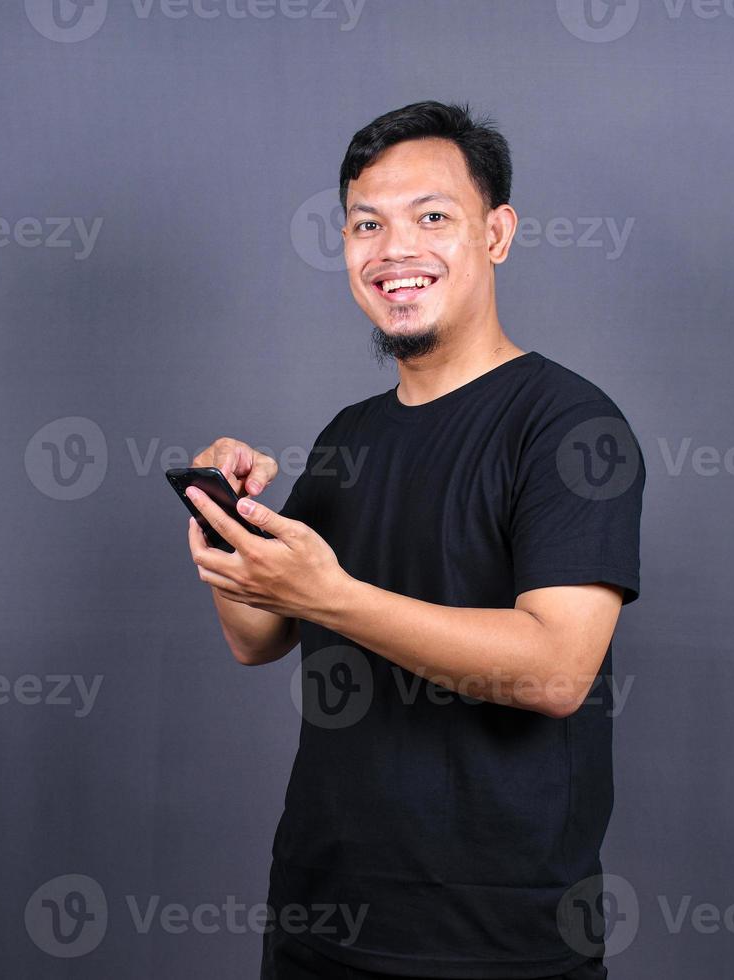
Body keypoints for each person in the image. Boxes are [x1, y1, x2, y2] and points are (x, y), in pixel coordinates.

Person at [182, 101, 643, 980]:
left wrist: (331, 594)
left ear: (497, 233)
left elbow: (555, 670)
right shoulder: (349, 435)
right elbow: (258, 639)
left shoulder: (571, 427)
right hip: (321, 920)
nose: (395, 251)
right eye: (367, 225)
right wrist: (223, 529)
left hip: (495, 943)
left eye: (433, 217)